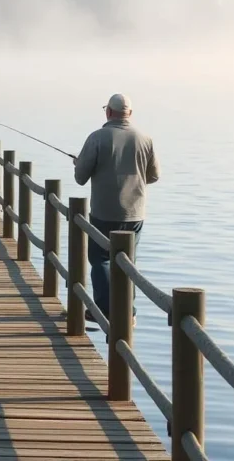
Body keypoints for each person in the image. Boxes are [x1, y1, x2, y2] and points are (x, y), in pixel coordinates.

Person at [74, 94, 159, 324]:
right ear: (129, 114)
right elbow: (153, 176)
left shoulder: (97, 138)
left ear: (108, 112)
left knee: (101, 259)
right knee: (128, 262)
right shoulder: (145, 139)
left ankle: (102, 309)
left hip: (104, 211)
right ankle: (127, 313)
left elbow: (80, 177)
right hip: (135, 213)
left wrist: (80, 163)